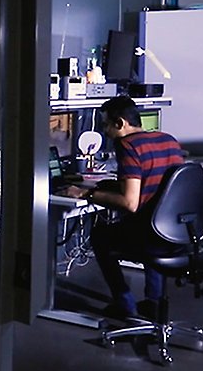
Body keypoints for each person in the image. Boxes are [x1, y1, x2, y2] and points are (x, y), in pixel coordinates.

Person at [61, 96, 185, 319]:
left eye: (105, 125)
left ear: (120, 123)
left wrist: (86, 192)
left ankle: (126, 306)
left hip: (151, 234)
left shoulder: (127, 145)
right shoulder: (168, 140)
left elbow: (130, 203)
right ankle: (154, 302)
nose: (105, 132)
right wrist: (111, 186)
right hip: (175, 230)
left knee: (100, 235)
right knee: (150, 229)